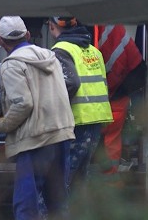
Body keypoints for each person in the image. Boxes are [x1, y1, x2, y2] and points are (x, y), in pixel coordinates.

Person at [0, 16, 75, 220]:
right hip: (60, 134)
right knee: (57, 202)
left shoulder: (11, 65)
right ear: (28, 35)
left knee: (25, 205)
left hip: (35, 140)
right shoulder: (50, 57)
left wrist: (1, 124)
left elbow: (23, 104)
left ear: (1, 42)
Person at [49, 17, 113, 184]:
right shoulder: (94, 51)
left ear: (51, 26)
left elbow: (70, 83)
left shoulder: (60, 50)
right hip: (96, 119)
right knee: (81, 175)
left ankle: (62, 210)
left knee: (65, 177)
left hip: (76, 121)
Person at [96, 25, 146, 175]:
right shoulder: (112, 29)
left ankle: (107, 179)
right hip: (120, 89)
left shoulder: (98, 30)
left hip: (113, 93)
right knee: (110, 141)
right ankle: (111, 181)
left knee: (103, 141)